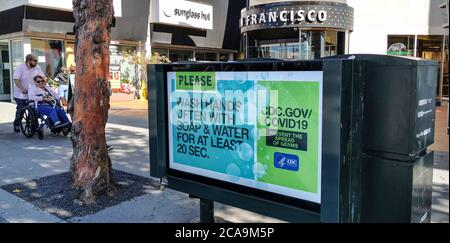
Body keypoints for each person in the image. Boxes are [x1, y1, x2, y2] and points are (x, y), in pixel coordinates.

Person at [12, 54, 45, 133]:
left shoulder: (37, 67)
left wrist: (44, 85)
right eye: (35, 60)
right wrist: (23, 89)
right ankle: (16, 123)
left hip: (32, 92)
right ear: (29, 61)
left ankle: (34, 125)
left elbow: (42, 77)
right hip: (21, 93)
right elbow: (16, 80)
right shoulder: (20, 67)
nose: (37, 62)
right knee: (21, 109)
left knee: (34, 109)